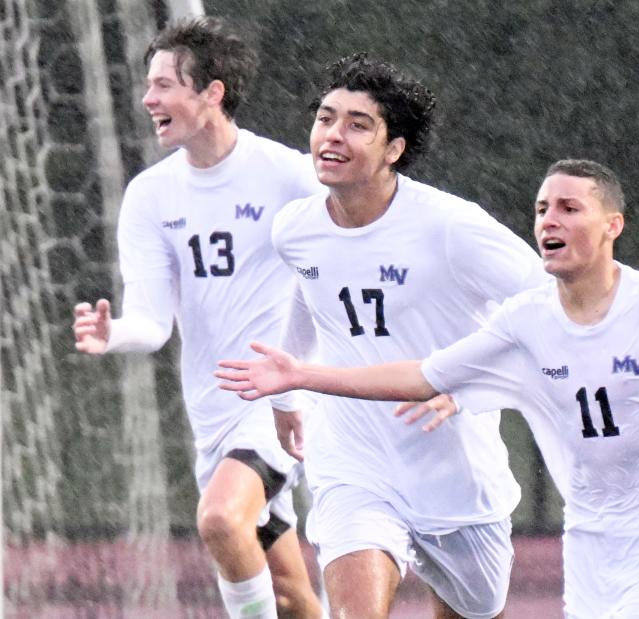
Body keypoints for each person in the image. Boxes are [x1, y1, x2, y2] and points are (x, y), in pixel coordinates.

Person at [216, 159, 639, 619]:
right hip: (587, 545)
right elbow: (421, 372)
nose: (547, 219)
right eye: (539, 208)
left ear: (612, 224)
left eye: (567, 207)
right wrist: (303, 376)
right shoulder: (523, 322)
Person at [248, 53, 548, 619]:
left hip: (454, 470)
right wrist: (286, 397)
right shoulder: (296, 228)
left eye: (358, 125)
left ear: (394, 150)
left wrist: (469, 386)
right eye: (325, 118)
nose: (332, 135)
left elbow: (549, 311)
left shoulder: (451, 228)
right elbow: (307, 297)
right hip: (353, 462)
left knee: (478, 610)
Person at [71, 17, 322, 619]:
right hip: (211, 416)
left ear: (211, 92)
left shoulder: (289, 175)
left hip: (280, 402)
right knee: (291, 597)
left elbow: (345, 263)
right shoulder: (151, 197)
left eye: (163, 85)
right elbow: (153, 322)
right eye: (147, 84)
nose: (148, 99)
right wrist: (113, 336)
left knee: (216, 520)